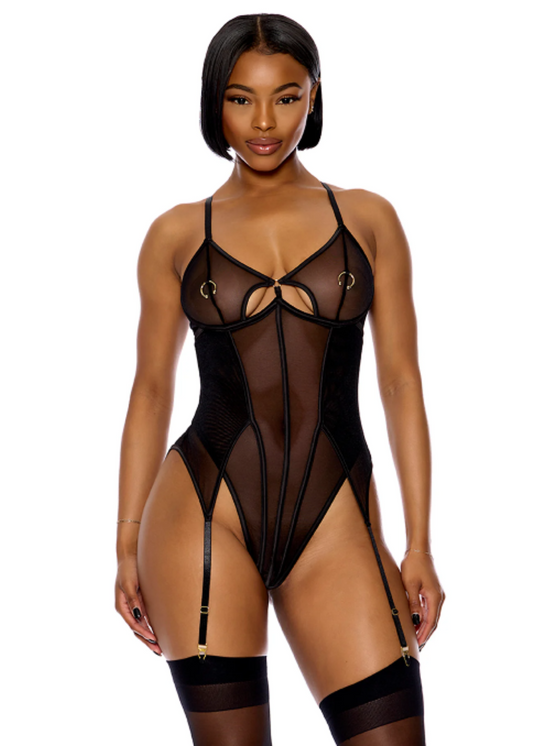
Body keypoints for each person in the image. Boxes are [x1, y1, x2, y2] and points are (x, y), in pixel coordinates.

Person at [114, 12, 445, 746]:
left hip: (335, 515)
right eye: (241, 98)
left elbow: (400, 381)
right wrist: (125, 539)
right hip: (203, 511)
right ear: (215, 102)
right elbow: (151, 389)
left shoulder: (368, 218)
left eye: (286, 97)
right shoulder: (176, 233)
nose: (263, 122)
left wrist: (418, 543)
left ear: (313, 97)